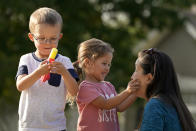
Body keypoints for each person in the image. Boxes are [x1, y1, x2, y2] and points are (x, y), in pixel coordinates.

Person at [16, 7, 79, 131]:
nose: (47, 43)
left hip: (56, 126)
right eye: (41, 38)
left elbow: (75, 92)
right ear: (31, 37)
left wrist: (64, 73)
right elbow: (21, 86)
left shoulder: (64, 62)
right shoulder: (26, 59)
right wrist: (38, 72)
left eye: (53, 38)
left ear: (59, 37)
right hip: (29, 126)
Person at [74, 38, 139, 131]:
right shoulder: (85, 87)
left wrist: (135, 92)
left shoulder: (108, 86)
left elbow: (119, 107)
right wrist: (128, 91)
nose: (107, 68)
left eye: (109, 64)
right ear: (88, 63)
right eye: (104, 63)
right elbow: (105, 104)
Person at [131, 48, 196, 131]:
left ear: (149, 78)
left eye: (136, 70)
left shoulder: (155, 105)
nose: (132, 77)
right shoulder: (175, 105)